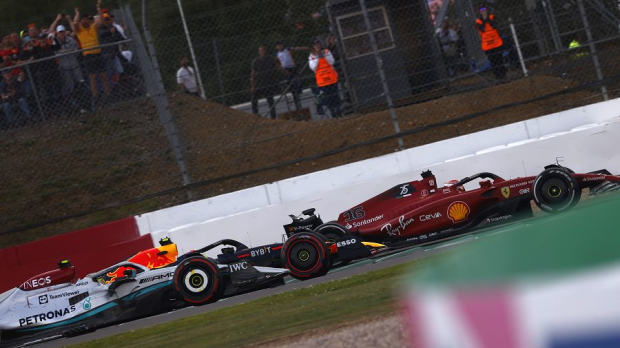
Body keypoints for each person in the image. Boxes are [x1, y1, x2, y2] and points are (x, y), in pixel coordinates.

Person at [69, 7, 111, 101]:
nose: (85, 21)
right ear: (81, 21)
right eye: (83, 19)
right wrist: (77, 13)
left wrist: (98, 8)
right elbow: (75, 23)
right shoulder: (79, 30)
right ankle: (95, 97)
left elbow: (101, 21)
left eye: (86, 19)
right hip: (88, 55)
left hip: (97, 53)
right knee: (93, 77)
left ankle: (108, 95)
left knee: (103, 75)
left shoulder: (93, 27)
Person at [308, 38, 341, 118]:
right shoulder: (312, 56)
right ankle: (334, 115)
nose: (317, 46)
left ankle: (339, 113)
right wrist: (318, 58)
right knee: (328, 97)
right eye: (315, 45)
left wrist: (324, 55)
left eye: (318, 44)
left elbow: (332, 61)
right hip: (322, 81)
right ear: (313, 47)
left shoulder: (326, 52)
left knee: (335, 96)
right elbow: (313, 67)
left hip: (331, 78)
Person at [475, 3, 506, 80]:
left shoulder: (492, 17)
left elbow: (494, 25)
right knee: (493, 61)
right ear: (479, 12)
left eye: (485, 9)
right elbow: (481, 29)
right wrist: (485, 19)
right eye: (481, 10)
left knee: (500, 60)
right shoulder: (478, 21)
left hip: (496, 43)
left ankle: (503, 75)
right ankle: (498, 76)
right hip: (487, 45)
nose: (483, 11)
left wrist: (487, 18)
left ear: (487, 10)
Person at [275, 41, 308, 111]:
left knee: (298, 79)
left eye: (280, 45)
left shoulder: (287, 49)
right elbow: (276, 62)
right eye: (278, 45)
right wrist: (281, 68)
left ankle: (298, 89)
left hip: (292, 67)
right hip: (286, 69)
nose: (280, 46)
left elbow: (296, 48)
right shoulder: (277, 54)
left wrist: (306, 48)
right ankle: (294, 94)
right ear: (276, 47)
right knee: (290, 83)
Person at [251, 45, 279, 119]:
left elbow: (277, 67)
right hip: (259, 83)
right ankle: (255, 114)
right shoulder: (256, 61)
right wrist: (253, 85)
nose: (263, 52)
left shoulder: (270, 59)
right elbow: (253, 73)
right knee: (254, 98)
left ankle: (273, 116)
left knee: (270, 100)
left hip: (269, 83)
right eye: (261, 51)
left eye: (264, 50)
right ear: (259, 52)